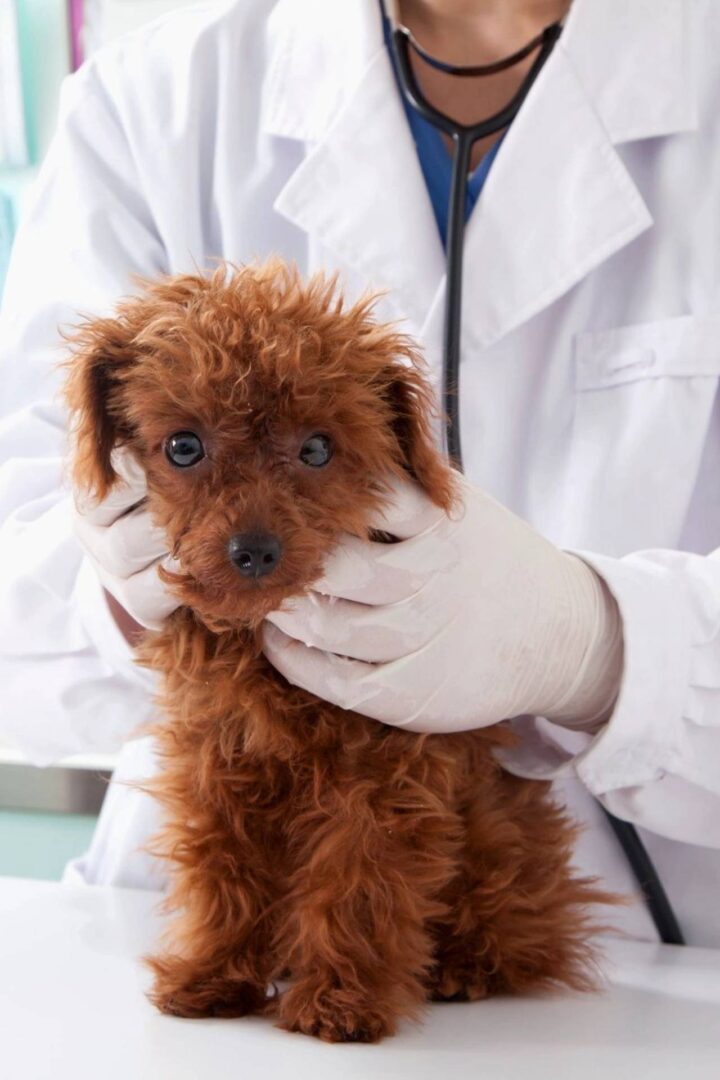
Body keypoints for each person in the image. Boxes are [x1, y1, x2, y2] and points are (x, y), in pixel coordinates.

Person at [1, 0, 719, 945]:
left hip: (656, 970)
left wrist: (595, 647)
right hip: (213, 940)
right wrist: (125, 586)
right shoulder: (161, 98)